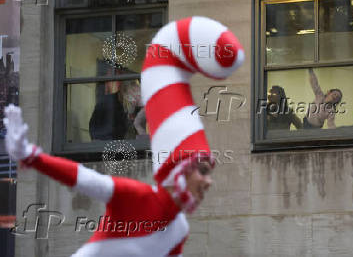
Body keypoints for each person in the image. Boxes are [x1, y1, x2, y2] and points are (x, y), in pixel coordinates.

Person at [4, 16, 245, 257]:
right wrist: (31, 155)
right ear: (179, 170)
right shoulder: (135, 197)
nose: (208, 182)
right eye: (202, 171)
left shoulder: (178, 229)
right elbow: (83, 178)